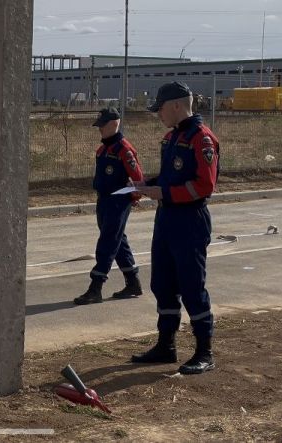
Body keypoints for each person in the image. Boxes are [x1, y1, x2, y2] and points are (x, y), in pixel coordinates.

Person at [130, 81, 221, 374]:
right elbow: (171, 178)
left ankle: (204, 351)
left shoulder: (202, 139)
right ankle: (165, 345)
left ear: (177, 106)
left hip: (189, 220)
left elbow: (204, 186)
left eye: (161, 110)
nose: (159, 115)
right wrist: (148, 185)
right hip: (167, 219)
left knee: (192, 285)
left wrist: (165, 193)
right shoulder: (171, 138)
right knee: (163, 284)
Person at [74, 107, 145, 305]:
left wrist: (136, 195)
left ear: (114, 124)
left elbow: (138, 177)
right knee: (117, 241)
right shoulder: (103, 149)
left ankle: (95, 287)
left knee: (107, 242)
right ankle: (133, 282)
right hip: (104, 201)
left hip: (118, 201)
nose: (100, 129)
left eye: (102, 126)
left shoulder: (124, 149)